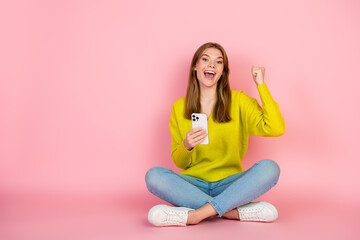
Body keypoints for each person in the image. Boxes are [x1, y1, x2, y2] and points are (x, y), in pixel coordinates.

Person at [145, 42, 285, 227]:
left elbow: (276, 128)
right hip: (193, 184)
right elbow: (180, 162)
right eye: (205, 59)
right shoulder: (179, 107)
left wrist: (261, 85)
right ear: (195, 66)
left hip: (230, 183)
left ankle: (196, 215)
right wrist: (186, 145)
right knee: (154, 176)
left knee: (270, 168)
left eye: (218, 62)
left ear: (222, 72)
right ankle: (230, 212)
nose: (212, 65)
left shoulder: (239, 101)